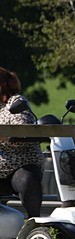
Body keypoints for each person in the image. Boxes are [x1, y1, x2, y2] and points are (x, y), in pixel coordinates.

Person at [0, 68, 45, 220]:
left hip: (21, 163)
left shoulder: (17, 103)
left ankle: (34, 221)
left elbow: (23, 130)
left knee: (28, 180)